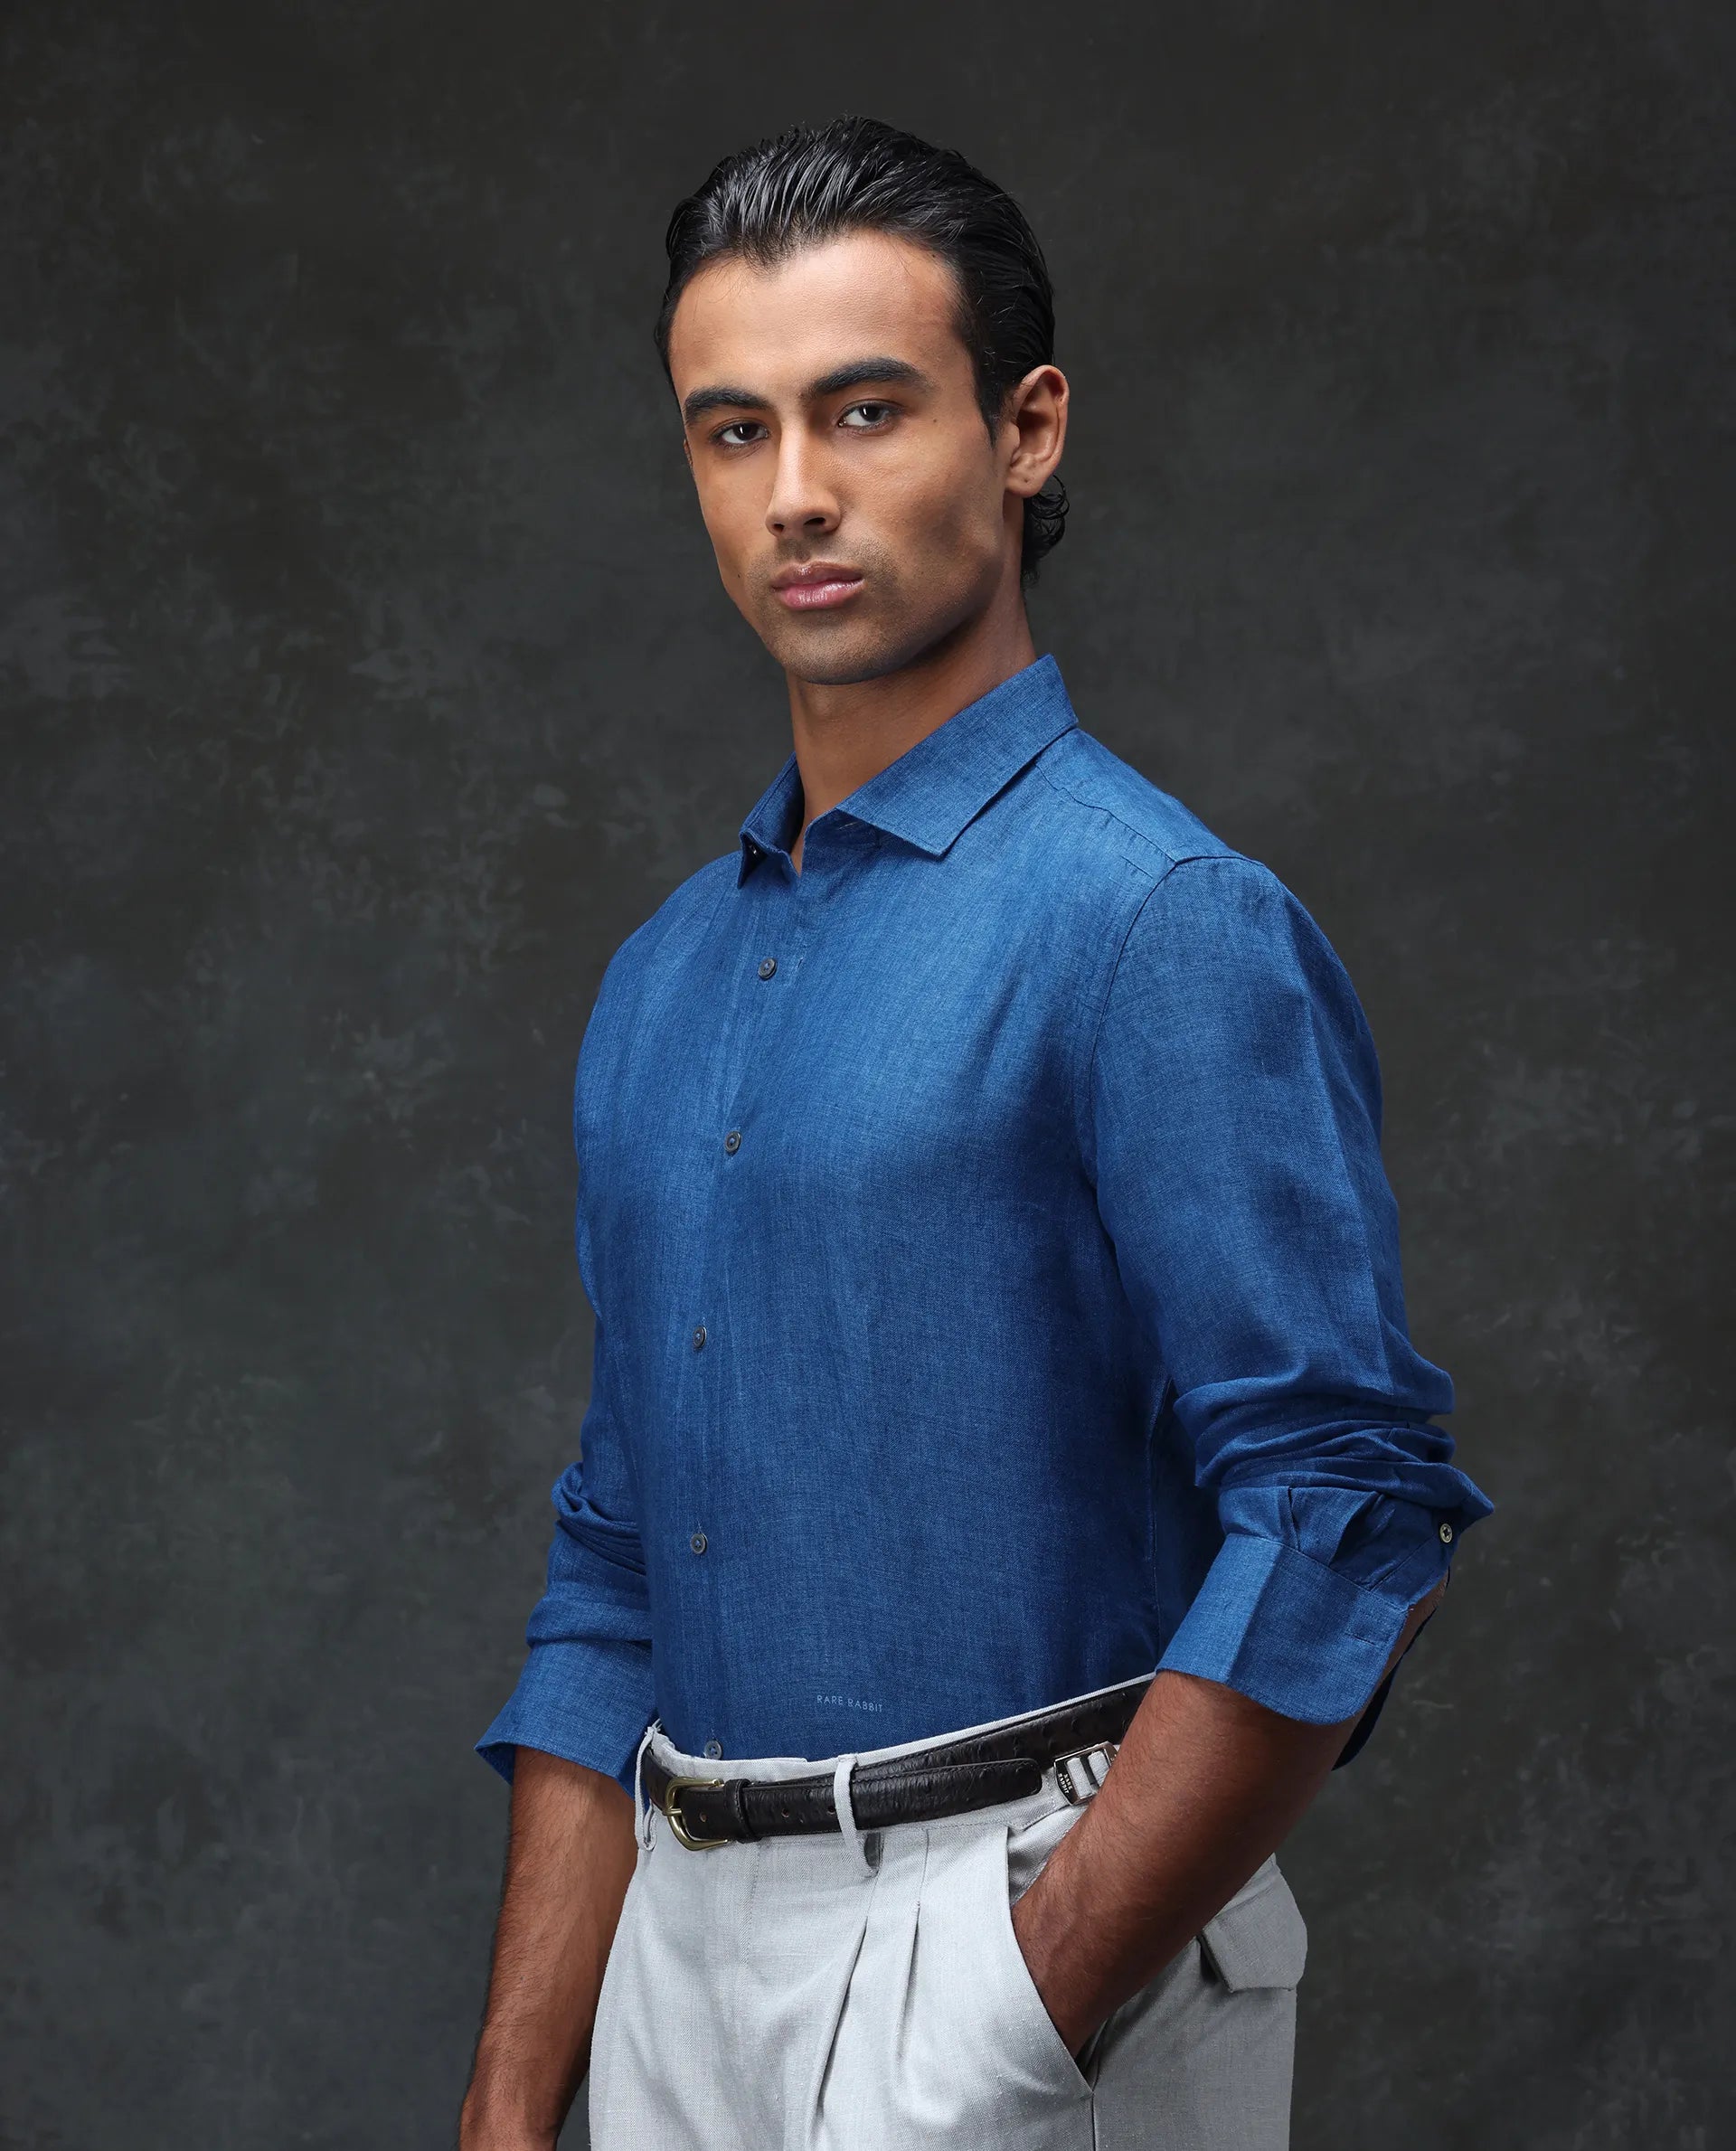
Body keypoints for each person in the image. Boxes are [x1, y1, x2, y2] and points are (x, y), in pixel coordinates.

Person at [458, 117, 1492, 2151]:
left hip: (1008, 1946)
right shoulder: (659, 980)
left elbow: (1346, 1507)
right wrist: (509, 2105)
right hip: (676, 1958)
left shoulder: (1156, 923)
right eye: (733, 430)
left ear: (1026, 431)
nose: (796, 491)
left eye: (864, 411)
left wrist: (1029, 1996)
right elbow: (616, 1558)